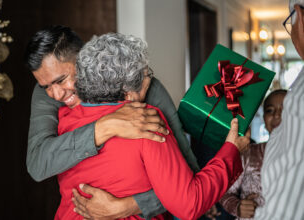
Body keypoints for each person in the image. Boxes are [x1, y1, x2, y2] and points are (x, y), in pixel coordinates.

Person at [55, 32, 247, 220]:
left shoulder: (64, 118)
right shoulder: (146, 124)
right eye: (147, 74)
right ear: (128, 94)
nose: (150, 80)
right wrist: (231, 150)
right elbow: (189, 204)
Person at [25, 25, 200, 219]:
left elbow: (188, 170)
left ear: (84, 59)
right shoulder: (45, 96)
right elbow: (38, 164)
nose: (56, 94)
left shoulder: (140, 83)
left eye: (62, 79)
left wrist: (131, 206)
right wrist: (105, 127)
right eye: (46, 86)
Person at [254, 0, 304, 219]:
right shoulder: (251, 154)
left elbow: (285, 209)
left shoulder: (299, 98)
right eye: (270, 110)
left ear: (299, 17)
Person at [220, 90, 287, 219]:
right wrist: (238, 207)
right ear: (263, 118)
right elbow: (224, 192)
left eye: (284, 109)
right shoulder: (248, 153)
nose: (277, 115)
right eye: (270, 110)